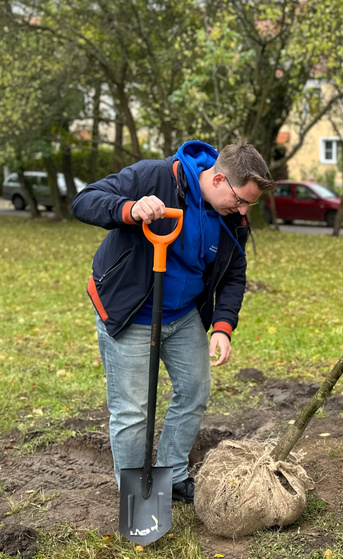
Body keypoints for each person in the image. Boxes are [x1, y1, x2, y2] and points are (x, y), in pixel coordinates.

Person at [72, 139, 274, 504]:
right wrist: (130, 208)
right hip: (130, 313)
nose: (243, 210)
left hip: (182, 317)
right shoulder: (155, 176)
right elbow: (85, 200)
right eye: (240, 200)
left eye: (249, 204)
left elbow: (233, 273)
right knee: (132, 411)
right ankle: (135, 494)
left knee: (194, 392)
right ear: (218, 180)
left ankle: (171, 474)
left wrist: (223, 326)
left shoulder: (232, 217)